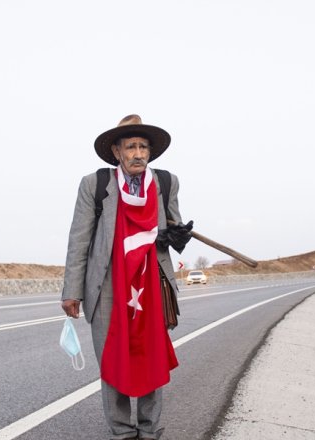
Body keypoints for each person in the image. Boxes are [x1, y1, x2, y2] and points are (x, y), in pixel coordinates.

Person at [61, 114, 192, 439]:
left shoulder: (165, 183)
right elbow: (79, 238)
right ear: (117, 152)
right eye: (130, 146)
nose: (138, 153)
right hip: (107, 286)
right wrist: (72, 291)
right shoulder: (96, 184)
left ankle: (149, 432)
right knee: (112, 360)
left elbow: (172, 226)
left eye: (143, 146)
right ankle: (121, 432)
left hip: (152, 284)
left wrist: (178, 236)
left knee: (152, 357)